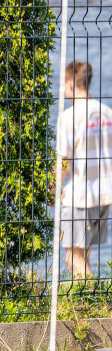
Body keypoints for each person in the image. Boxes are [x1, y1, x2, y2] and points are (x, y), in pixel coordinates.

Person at [58, 60, 112, 279]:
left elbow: (64, 159)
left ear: (70, 85)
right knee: (84, 255)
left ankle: (91, 299)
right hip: (104, 194)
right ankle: (90, 299)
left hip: (79, 197)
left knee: (73, 258)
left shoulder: (69, 117)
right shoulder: (107, 113)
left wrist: (54, 188)